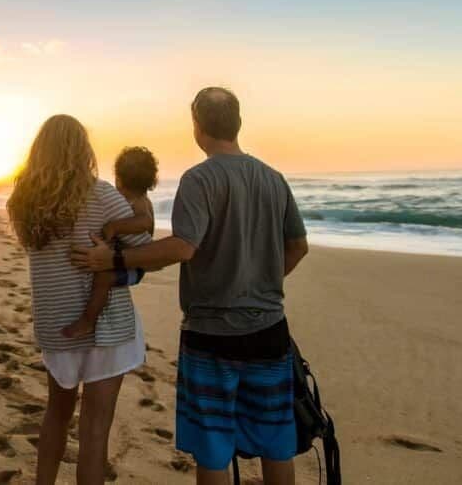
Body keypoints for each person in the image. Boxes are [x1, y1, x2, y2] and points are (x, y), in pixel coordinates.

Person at [71, 87, 308, 485]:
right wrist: (257, 282)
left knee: (213, 447)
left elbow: (183, 247)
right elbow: (298, 246)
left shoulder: (199, 180)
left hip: (211, 335)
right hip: (270, 330)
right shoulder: (273, 178)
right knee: (275, 441)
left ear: (197, 127)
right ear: (239, 123)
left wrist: (114, 259)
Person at [7, 115, 151, 485]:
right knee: (94, 432)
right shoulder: (101, 194)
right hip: (106, 330)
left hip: (56, 326)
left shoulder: (23, 202)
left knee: (55, 414)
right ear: (81, 150)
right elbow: (143, 249)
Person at [62, 146, 158, 339]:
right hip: (125, 258)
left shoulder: (140, 201)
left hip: (135, 267)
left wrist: (115, 226)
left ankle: (88, 321)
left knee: (104, 277)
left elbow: (144, 223)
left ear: (118, 178)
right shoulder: (124, 198)